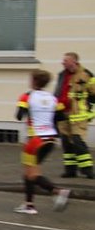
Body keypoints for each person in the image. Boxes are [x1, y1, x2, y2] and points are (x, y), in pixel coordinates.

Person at [14, 69, 70, 215]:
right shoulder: (53, 98)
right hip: (51, 139)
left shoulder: (27, 96)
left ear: (34, 81)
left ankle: (57, 191)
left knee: (30, 174)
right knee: (32, 172)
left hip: (35, 140)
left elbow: (19, 116)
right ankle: (29, 205)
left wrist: (30, 111)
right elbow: (61, 117)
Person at [54, 52, 95, 178]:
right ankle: (70, 170)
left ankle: (87, 170)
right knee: (66, 143)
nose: (63, 63)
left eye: (66, 60)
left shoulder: (86, 74)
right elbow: (58, 92)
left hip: (79, 115)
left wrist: (90, 111)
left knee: (78, 141)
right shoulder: (62, 75)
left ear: (74, 62)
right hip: (63, 114)